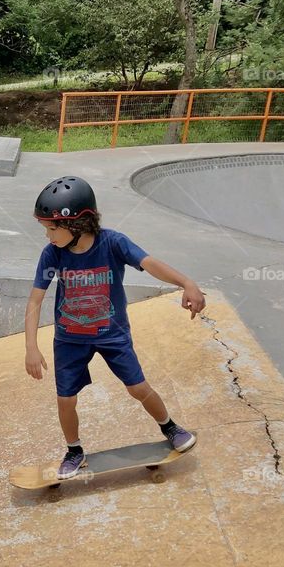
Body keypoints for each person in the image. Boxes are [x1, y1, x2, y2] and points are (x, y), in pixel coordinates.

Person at [24, 176, 205, 479]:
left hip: (113, 335)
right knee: (65, 399)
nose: (47, 235)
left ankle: (170, 427)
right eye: (45, 228)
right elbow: (34, 301)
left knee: (138, 387)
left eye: (52, 228)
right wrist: (31, 346)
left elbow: (150, 263)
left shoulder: (114, 243)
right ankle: (74, 450)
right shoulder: (52, 254)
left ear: (79, 224)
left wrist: (187, 282)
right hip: (70, 339)